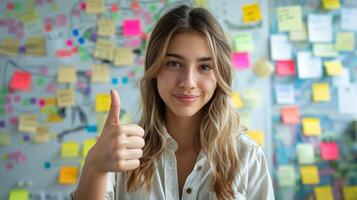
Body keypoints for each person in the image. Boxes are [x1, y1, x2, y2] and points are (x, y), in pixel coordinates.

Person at [72, 4, 274, 200]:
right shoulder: (118, 151)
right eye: (174, 64)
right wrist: (94, 166)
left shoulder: (248, 157)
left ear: (220, 75)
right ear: (154, 70)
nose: (188, 82)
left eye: (204, 67)